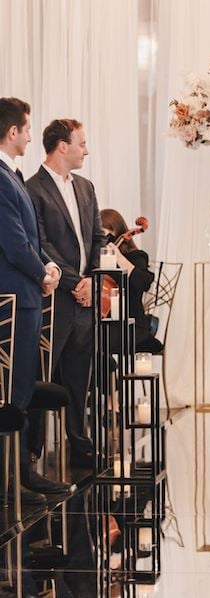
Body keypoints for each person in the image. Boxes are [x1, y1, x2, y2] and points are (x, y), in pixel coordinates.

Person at [26, 118, 106, 469]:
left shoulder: (86, 187)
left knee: (79, 375)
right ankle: (32, 451)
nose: (86, 150)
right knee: (42, 374)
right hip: (53, 299)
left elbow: (98, 238)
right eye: (82, 143)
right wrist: (76, 283)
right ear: (62, 146)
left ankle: (79, 441)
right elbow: (41, 245)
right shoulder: (32, 189)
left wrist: (93, 280)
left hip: (85, 299)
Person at [0, 97, 68, 504]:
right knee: (15, 389)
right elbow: (12, 241)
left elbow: (32, 239)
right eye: (26, 129)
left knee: (23, 386)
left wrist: (49, 264)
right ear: (13, 132)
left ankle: (22, 470)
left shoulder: (12, 175)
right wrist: (42, 272)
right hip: (14, 296)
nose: (29, 135)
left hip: (26, 292)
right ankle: (16, 476)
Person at [100, 208, 159, 353]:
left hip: (132, 325)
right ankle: (108, 370)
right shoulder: (98, 260)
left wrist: (119, 257)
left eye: (107, 237)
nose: (104, 243)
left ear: (119, 234)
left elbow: (144, 283)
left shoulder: (137, 257)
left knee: (95, 342)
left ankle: (109, 369)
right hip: (105, 324)